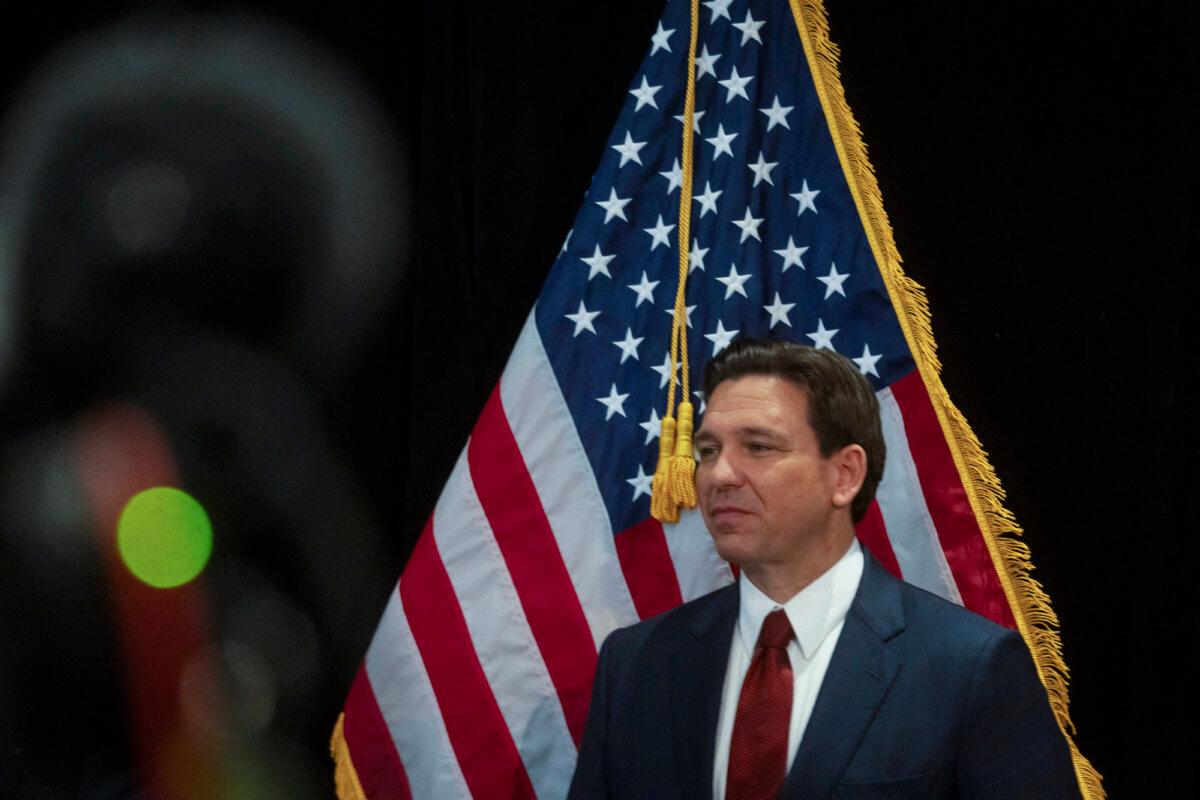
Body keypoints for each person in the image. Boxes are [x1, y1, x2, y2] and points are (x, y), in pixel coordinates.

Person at [568, 338, 1080, 800]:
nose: (719, 474)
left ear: (845, 474)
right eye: (708, 450)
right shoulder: (636, 664)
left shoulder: (969, 667)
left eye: (759, 447)